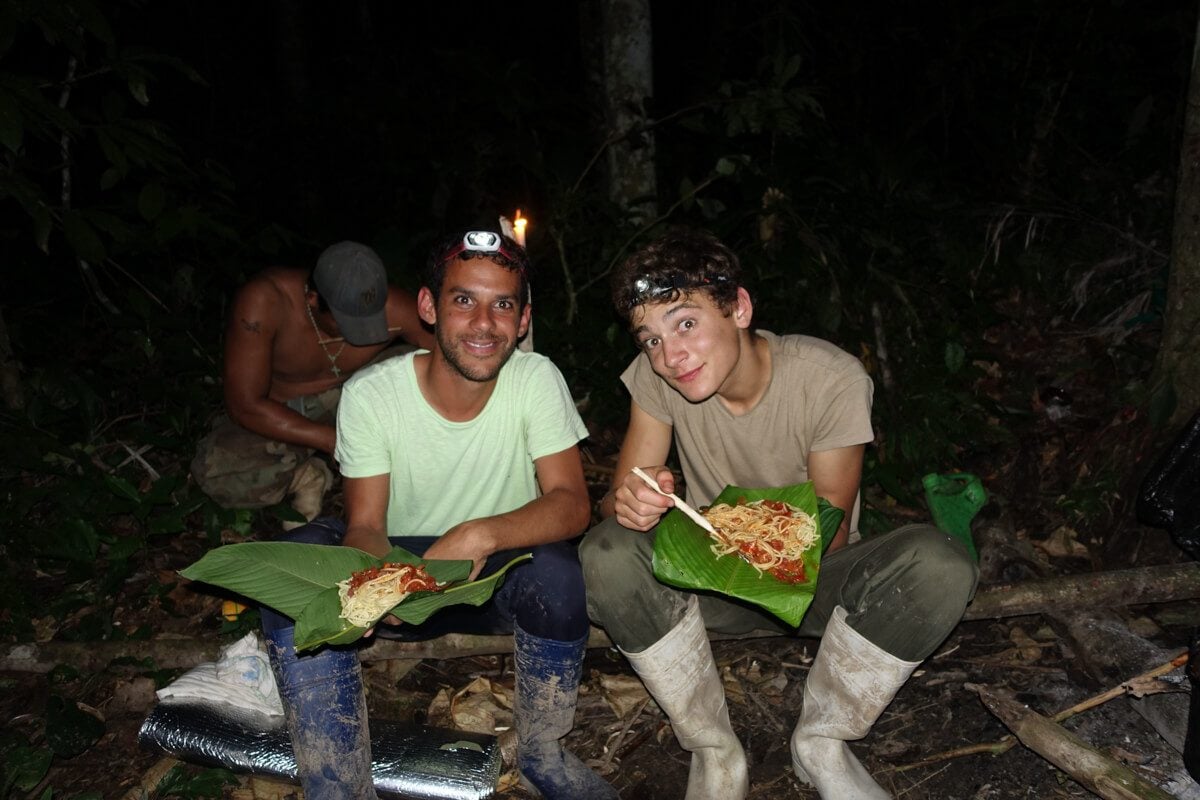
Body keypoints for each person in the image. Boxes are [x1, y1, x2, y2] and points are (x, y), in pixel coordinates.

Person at [579, 228, 979, 800]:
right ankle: (713, 749)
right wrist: (633, 502)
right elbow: (619, 500)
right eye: (650, 340)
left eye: (685, 323)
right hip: (712, 583)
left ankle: (823, 742)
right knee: (608, 550)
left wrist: (747, 534)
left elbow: (830, 534)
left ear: (738, 308)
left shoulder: (828, 378)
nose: (670, 356)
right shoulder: (656, 379)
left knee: (939, 562)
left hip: (817, 586)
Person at [260, 230, 618, 800]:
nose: (484, 323)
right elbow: (367, 527)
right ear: (428, 307)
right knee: (292, 575)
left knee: (556, 572)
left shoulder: (534, 379)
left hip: (492, 576)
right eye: (463, 300)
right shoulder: (373, 394)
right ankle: (337, 783)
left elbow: (572, 503)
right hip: (398, 558)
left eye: (502, 304)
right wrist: (382, 584)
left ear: (523, 320)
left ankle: (542, 752)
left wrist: (480, 532)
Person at [190, 241, 435, 526]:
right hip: (285, 412)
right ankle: (307, 475)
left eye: (372, 319)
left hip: (362, 393)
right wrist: (333, 441)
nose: (364, 330)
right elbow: (245, 406)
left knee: (424, 367)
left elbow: (451, 359)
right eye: (348, 322)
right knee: (216, 472)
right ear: (313, 299)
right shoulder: (264, 302)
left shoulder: (394, 306)